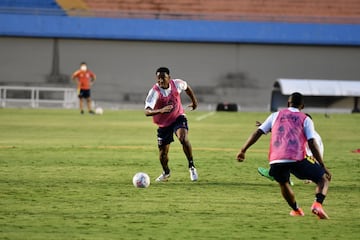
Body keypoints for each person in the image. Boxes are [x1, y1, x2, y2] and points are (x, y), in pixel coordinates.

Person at [236, 92, 332, 219]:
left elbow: (258, 132)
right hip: (297, 158)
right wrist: (322, 165)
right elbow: (312, 142)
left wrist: (243, 150)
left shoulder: (275, 115)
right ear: (302, 106)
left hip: (276, 160)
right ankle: (317, 204)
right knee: (323, 179)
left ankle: (296, 210)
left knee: (283, 183)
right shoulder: (306, 119)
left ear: (288, 103)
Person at [144, 67, 198, 182]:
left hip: (178, 117)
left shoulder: (177, 84)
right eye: (158, 78)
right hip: (163, 124)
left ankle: (191, 166)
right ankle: (166, 173)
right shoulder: (154, 92)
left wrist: (194, 102)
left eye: (163, 78)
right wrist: (160, 110)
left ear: (169, 78)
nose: (160, 81)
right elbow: (147, 111)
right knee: (163, 154)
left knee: (183, 138)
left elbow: (187, 88)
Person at [257, 113, 323, 185]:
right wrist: (265, 127)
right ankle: (282, 177)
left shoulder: (311, 136)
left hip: (304, 163)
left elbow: (316, 151)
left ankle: (273, 174)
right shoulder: (309, 133)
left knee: (285, 155)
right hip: (307, 163)